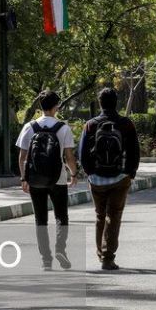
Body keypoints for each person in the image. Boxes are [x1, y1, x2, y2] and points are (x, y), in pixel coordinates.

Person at [78, 88, 141, 271]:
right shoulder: (126, 124)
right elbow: (134, 151)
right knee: (113, 216)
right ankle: (107, 257)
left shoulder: (90, 125)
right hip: (120, 178)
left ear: (100, 103)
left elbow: (82, 153)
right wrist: (130, 172)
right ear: (117, 102)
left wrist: (90, 172)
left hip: (96, 179)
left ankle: (101, 253)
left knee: (100, 216)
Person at [16, 90, 77, 271]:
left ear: (40, 107)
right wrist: (73, 174)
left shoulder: (29, 127)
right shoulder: (63, 128)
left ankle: (46, 260)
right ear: (56, 106)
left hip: (35, 179)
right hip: (57, 179)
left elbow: (22, 157)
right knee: (61, 216)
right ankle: (60, 248)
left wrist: (23, 178)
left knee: (40, 219)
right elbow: (69, 157)